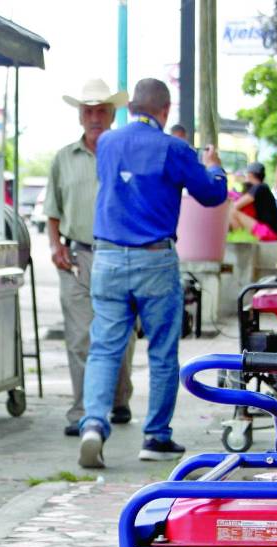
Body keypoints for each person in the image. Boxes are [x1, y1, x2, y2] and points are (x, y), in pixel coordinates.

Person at [78, 78, 228, 468]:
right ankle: (156, 436)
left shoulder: (107, 143)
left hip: (108, 257)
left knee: (105, 348)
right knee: (162, 351)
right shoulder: (174, 149)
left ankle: (93, 423)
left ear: (130, 108)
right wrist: (214, 168)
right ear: (165, 110)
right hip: (154, 259)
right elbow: (211, 195)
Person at [46, 78, 136, 437]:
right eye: (88, 111)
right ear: (80, 116)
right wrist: (55, 246)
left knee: (120, 336)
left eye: (101, 110)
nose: (95, 117)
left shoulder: (127, 153)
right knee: (80, 336)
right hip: (79, 256)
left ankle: (118, 399)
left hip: (120, 255)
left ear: (112, 114)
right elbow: (53, 209)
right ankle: (83, 410)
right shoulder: (64, 158)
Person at [229, 162, 277, 242]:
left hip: (269, 233)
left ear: (250, 175)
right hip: (268, 232)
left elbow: (236, 206)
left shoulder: (260, 187)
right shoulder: (263, 189)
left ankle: (237, 239)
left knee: (233, 211)